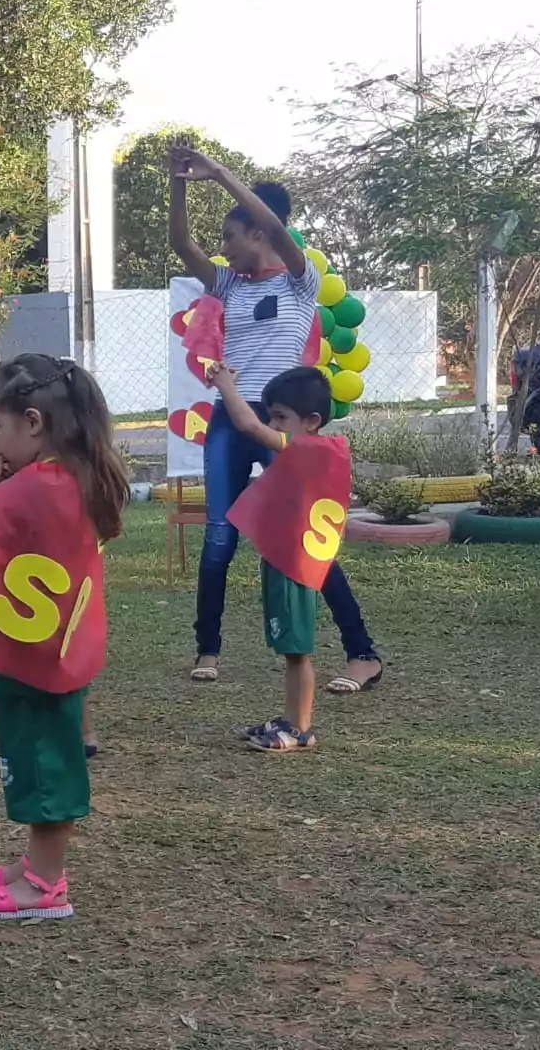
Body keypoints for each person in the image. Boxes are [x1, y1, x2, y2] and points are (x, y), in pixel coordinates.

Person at [167, 139, 382, 694]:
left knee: (304, 533)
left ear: (257, 234)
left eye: (231, 237)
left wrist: (219, 173)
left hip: (282, 423)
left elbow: (280, 232)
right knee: (220, 535)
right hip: (230, 414)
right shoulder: (227, 283)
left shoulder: (299, 277)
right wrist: (179, 183)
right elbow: (179, 242)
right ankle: (208, 648)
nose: (224, 248)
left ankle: (363, 653)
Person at [0, 354, 127, 921]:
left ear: (33, 422)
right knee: (39, 757)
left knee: (44, 764)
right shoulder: (76, 476)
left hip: (36, 657)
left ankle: (47, 883)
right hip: (55, 646)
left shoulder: (30, 489)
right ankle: (36, 865)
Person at [209, 362, 351, 752]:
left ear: (312, 421)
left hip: (296, 565)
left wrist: (226, 387)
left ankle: (301, 729)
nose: (272, 424)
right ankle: (289, 719)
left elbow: (248, 427)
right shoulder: (318, 449)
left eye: (280, 417)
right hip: (288, 558)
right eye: (272, 415)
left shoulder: (307, 447)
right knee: (290, 650)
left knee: (297, 651)